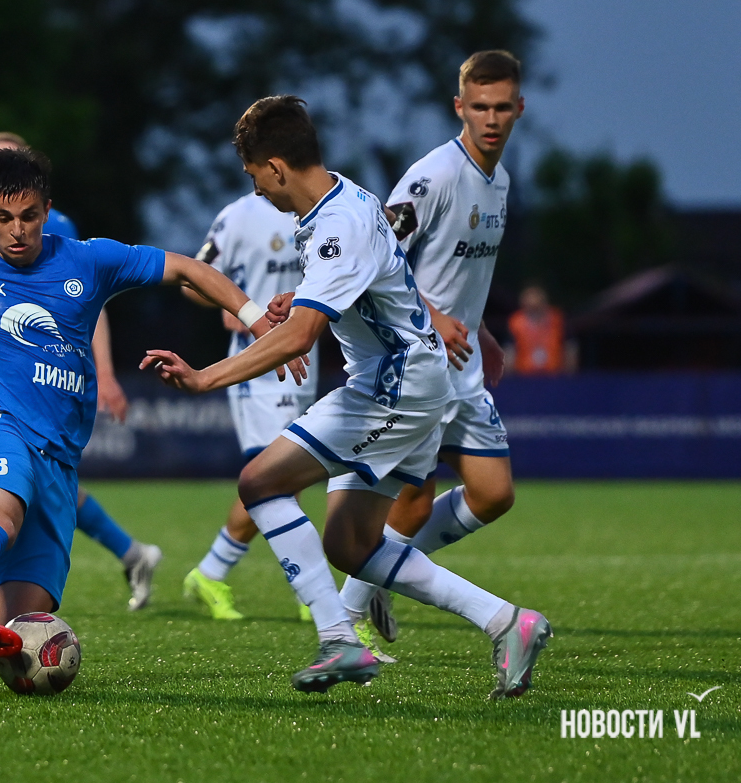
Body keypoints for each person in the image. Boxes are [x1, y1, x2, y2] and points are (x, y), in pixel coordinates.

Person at [142, 95, 550, 698]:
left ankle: (338, 639)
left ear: (276, 167)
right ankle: (507, 622)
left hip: (393, 383)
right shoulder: (347, 197)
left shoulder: (336, 225)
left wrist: (205, 377)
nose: (257, 191)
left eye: (255, 177)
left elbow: (299, 338)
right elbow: (363, 284)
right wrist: (301, 299)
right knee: (349, 544)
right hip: (412, 378)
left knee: (260, 483)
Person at [0, 147, 281, 691]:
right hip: (0, 426)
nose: (17, 230)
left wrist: (257, 320)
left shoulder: (90, 260)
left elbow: (187, 268)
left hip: (61, 462)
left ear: (47, 210)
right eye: (3, 218)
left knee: (8, 639)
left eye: (29, 216)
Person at [336, 50, 524, 654]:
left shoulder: (500, 181)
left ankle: (388, 574)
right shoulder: (435, 176)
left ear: (519, 109)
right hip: (419, 359)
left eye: (502, 107)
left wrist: (478, 326)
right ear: (459, 107)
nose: (491, 119)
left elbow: (462, 271)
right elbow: (374, 251)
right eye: (480, 107)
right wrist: (436, 316)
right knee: (410, 504)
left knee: (494, 494)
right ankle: (346, 621)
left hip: (463, 361)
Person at [0, 132, 162, 612]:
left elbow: (86, 301)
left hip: (52, 380)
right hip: (5, 381)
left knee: (36, 482)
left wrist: (105, 372)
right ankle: (129, 553)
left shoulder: (56, 227)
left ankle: (128, 552)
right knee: (13, 484)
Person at [180, 192, 319, 621]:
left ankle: (210, 573)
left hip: (304, 361)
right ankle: (311, 593)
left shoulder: (316, 208)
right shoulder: (237, 216)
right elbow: (191, 278)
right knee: (274, 478)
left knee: (288, 481)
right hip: (256, 368)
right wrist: (236, 306)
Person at [506, 283, 576, 375]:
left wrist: (569, 375)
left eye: (536, 295)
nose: (533, 300)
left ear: (544, 298)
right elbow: (509, 351)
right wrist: (510, 376)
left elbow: (570, 348)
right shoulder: (515, 322)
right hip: (524, 376)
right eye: (529, 296)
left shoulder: (558, 319)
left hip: (555, 376)